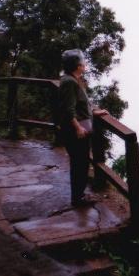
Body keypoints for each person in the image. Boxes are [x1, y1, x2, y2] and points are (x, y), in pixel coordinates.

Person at [58, 49, 108, 207]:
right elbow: (69, 109)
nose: (85, 65)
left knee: (82, 163)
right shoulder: (69, 82)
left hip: (80, 130)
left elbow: (82, 103)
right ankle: (78, 198)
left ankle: (79, 195)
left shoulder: (73, 79)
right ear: (77, 65)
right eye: (83, 63)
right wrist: (78, 127)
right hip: (76, 132)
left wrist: (94, 111)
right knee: (80, 164)